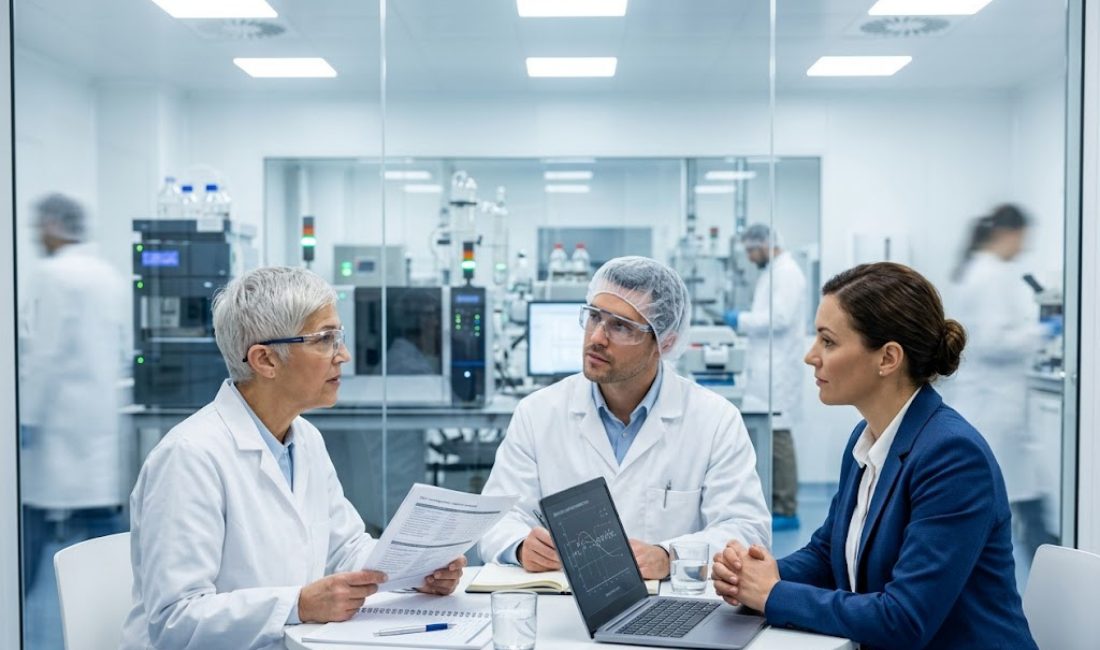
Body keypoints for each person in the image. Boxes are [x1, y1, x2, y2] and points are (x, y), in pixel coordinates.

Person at [120, 267, 466, 650]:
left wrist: (414, 572)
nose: (344, 356)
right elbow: (175, 620)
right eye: (325, 340)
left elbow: (346, 548)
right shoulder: (189, 457)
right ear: (265, 360)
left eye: (339, 337)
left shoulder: (304, 438)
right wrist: (298, 604)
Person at [712, 262, 1037, 649]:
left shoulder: (952, 457)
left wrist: (772, 594)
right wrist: (754, 575)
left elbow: (903, 620)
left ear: (887, 358)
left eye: (828, 342)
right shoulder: (868, 437)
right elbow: (827, 553)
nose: (810, 356)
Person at [478, 256, 769, 580]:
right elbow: (496, 517)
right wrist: (520, 546)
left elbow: (747, 529)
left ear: (665, 342)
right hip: (561, 607)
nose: (597, 337)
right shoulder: (538, 413)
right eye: (593, 317)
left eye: (620, 326)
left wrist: (669, 556)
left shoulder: (715, 421)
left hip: (668, 610)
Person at [20, 193, 127, 595]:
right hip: (95, 418)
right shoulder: (106, 274)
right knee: (97, 518)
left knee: (31, 519)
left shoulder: (53, 275)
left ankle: (15, 606)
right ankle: (117, 598)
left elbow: (43, 354)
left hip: (59, 422)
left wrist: (26, 417)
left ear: (51, 226)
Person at [950, 204, 1058, 562]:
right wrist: (1044, 331)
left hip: (990, 404)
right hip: (997, 407)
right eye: (1023, 239)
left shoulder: (977, 270)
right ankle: (1054, 577)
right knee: (1019, 500)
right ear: (1008, 233)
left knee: (1014, 499)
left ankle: (1050, 570)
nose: (1024, 248)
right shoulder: (992, 273)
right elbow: (996, 341)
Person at [725, 223, 807, 530]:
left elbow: (780, 319)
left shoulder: (787, 273)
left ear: (766, 244)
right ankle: (776, 502)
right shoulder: (773, 272)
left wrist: (739, 319)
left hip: (779, 368)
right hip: (767, 367)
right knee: (772, 434)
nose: (749, 257)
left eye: (751, 250)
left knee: (779, 435)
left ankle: (787, 507)